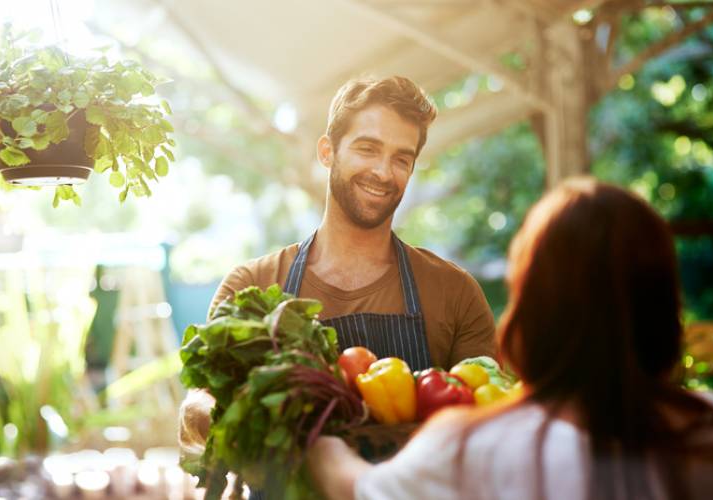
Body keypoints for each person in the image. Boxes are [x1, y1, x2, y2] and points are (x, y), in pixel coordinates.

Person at [307, 177, 713, 500]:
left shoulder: (471, 447)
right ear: (663, 306)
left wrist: (314, 436)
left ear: (534, 308)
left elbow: (359, 488)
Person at [179, 76, 497, 455]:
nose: (383, 171)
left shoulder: (453, 292)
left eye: (401, 159)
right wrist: (236, 415)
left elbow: (491, 429)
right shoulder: (254, 287)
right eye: (368, 148)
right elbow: (198, 404)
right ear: (327, 151)